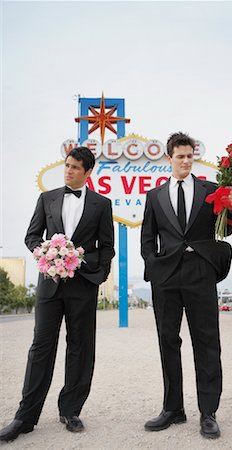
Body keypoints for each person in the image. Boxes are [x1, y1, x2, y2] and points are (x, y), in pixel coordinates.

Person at [0, 147, 115, 442]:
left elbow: (107, 247)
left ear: (88, 173)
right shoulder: (46, 199)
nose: (69, 171)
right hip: (49, 284)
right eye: (67, 165)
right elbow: (31, 236)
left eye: (76, 167)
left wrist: (98, 274)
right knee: (41, 348)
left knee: (80, 347)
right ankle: (25, 418)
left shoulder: (102, 205)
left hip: (83, 285)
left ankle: (71, 410)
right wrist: (49, 254)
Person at [141, 132, 232, 439]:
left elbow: (228, 229)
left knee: (207, 341)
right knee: (167, 340)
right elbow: (147, 237)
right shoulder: (154, 196)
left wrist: (229, 206)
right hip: (165, 276)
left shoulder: (211, 190)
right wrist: (153, 265)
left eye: (189, 156)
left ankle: (208, 412)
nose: (185, 161)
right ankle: (173, 408)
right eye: (179, 156)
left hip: (200, 271)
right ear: (168, 158)